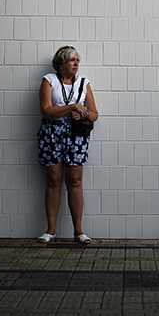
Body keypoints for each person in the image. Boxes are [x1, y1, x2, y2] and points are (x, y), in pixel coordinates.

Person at [36, 45, 98, 244]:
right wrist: (71, 107)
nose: (76, 64)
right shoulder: (49, 81)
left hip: (76, 137)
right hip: (52, 135)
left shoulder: (83, 83)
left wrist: (83, 113)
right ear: (61, 63)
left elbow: (94, 114)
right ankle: (50, 231)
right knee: (53, 181)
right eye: (72, 60)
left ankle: (79, 231)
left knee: (75, 181)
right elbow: (46, 111)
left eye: (77, 60)